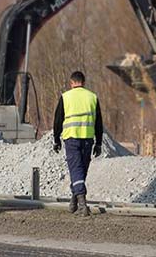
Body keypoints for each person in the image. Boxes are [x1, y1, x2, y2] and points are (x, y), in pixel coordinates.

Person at [53, 71, 103, 217]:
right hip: (88, 139)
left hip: (72, 138)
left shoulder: (65, 97)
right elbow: (99, 123)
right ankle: (75, 201)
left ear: (71, 82)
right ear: (84, 82)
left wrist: (56, 139)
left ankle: (82, 204)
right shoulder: (92, 97)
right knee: (82, 171)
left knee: (76, 170)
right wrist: (99, 143)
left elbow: (57, 121)